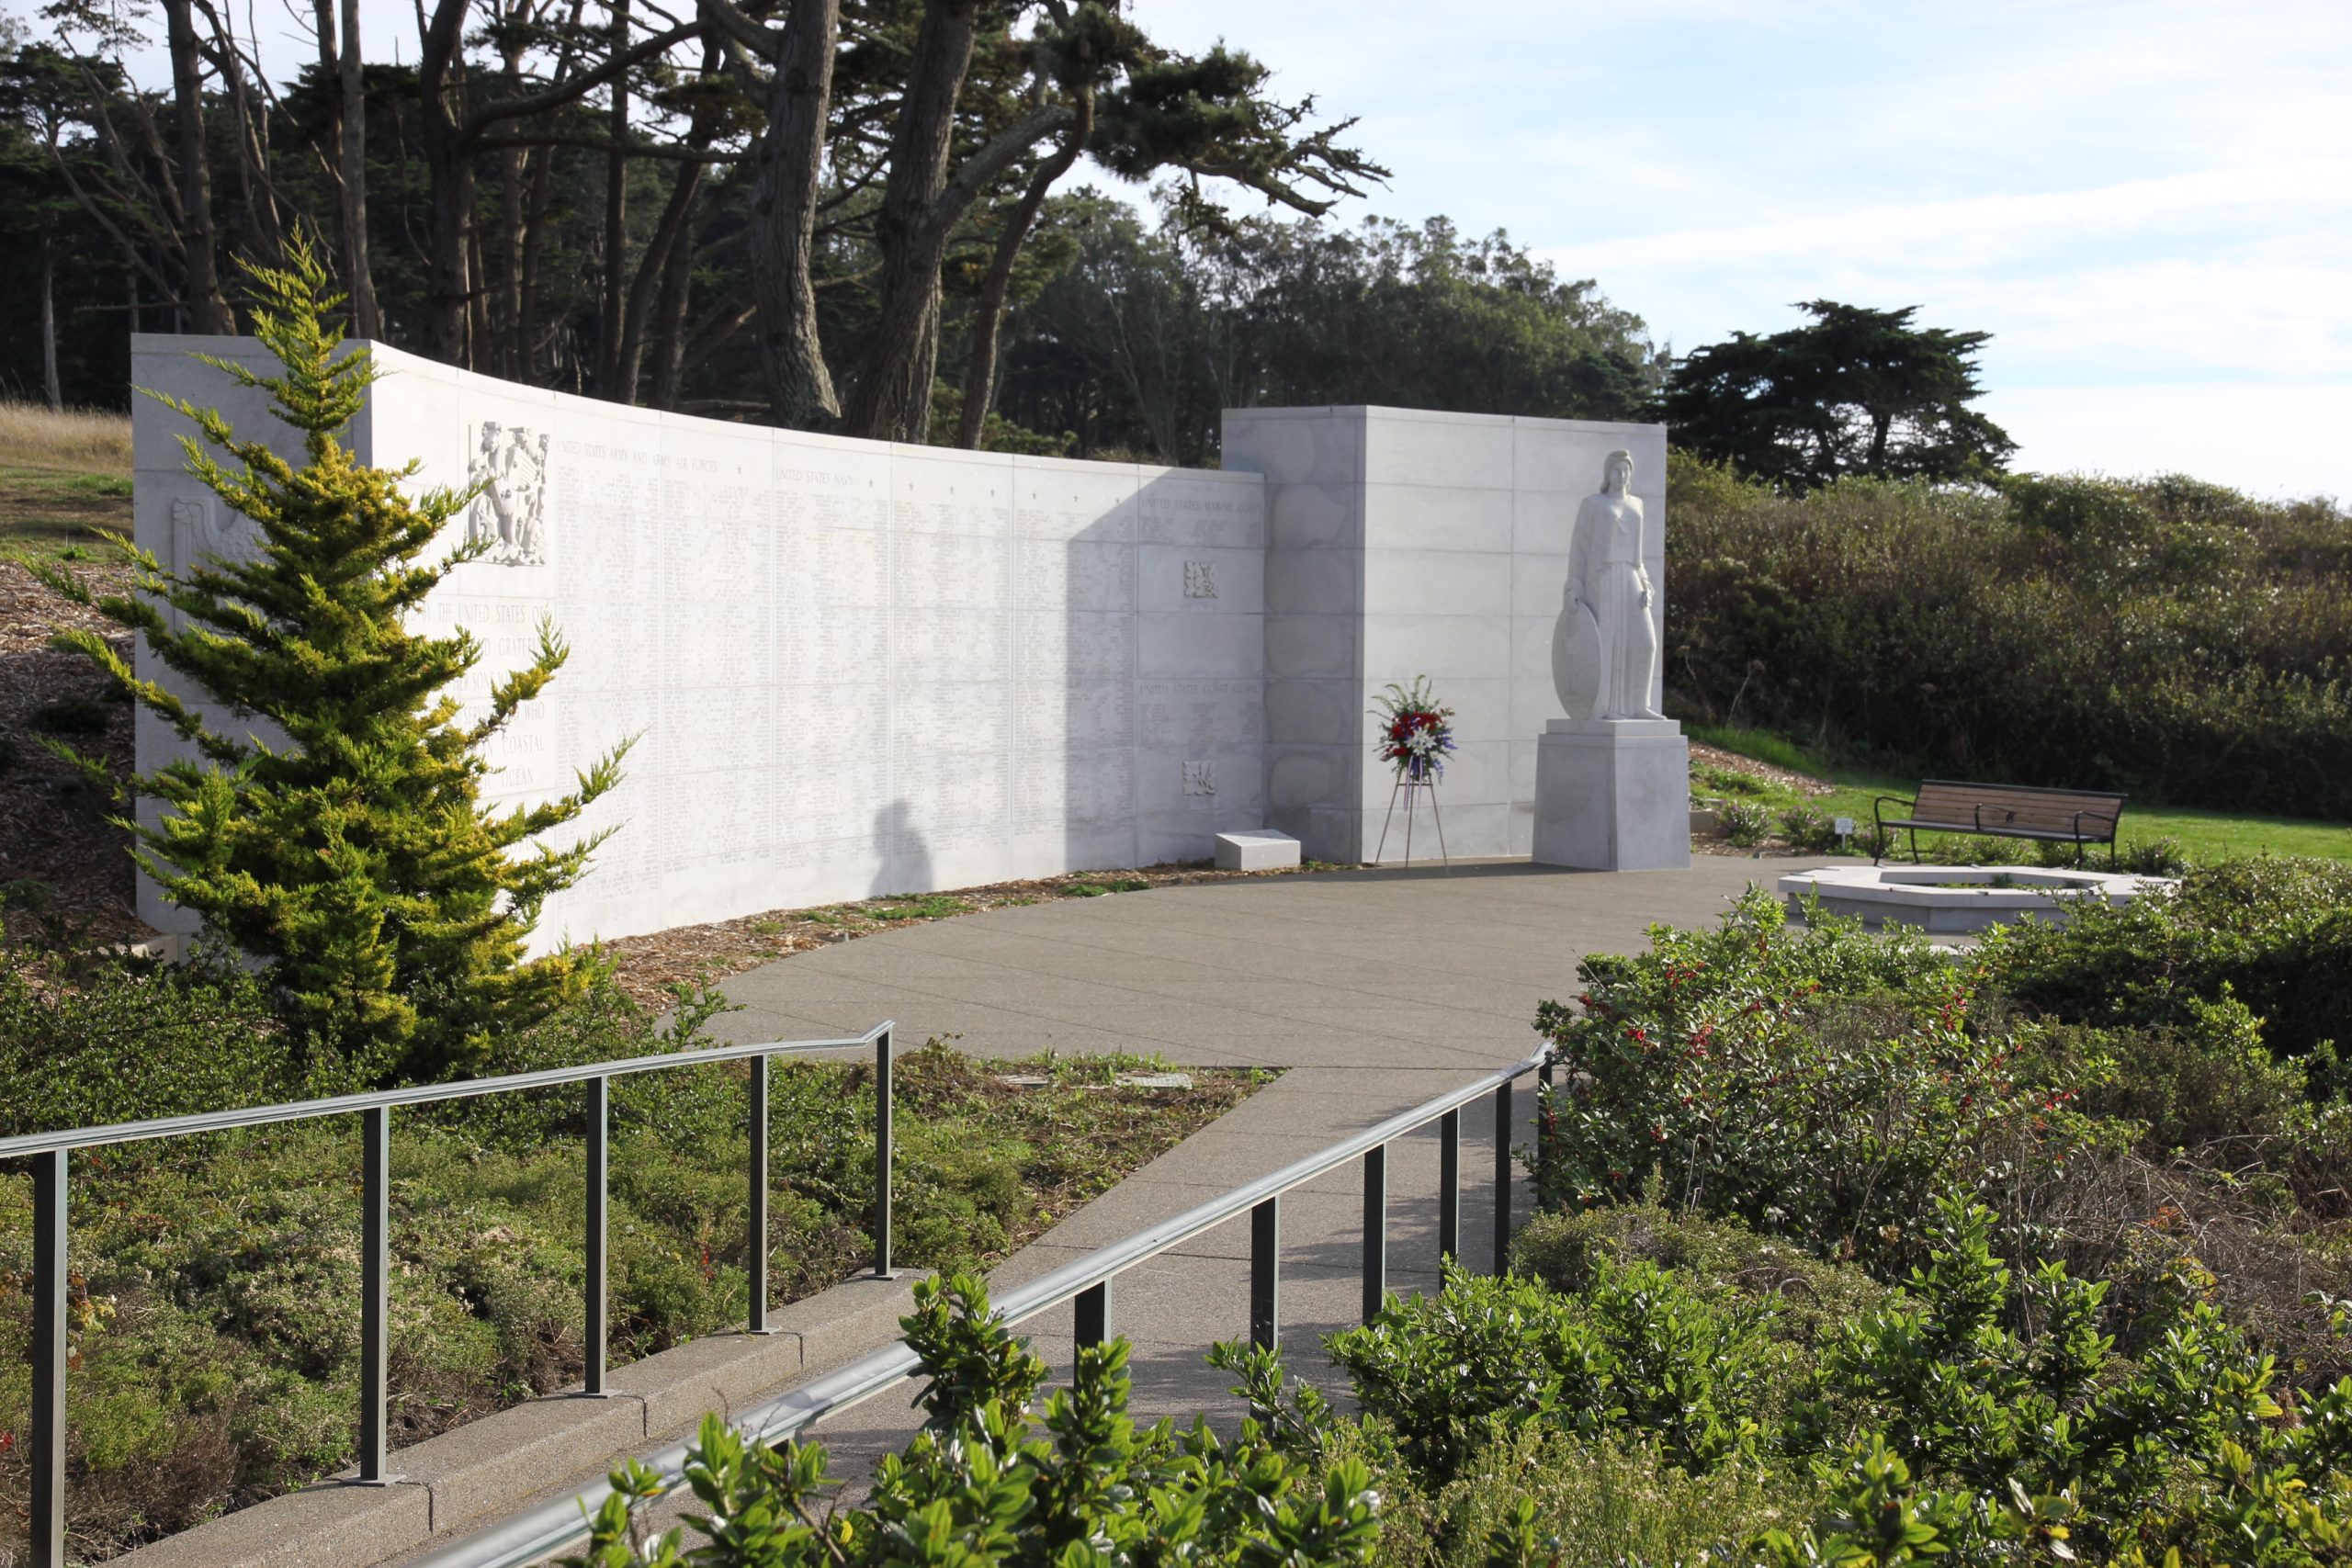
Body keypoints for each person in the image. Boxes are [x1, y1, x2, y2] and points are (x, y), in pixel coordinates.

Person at [1555, 449, 1664, 721]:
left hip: (1629, 577)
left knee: (1645, 642)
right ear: (1607, 473)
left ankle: (1639, 704)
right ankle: (1607, 707)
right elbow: (1579, 549)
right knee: (1608, 644)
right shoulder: (1592, 504)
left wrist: (1646, 584)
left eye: (1626, 469)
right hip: (1601, 579)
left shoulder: (1637, 505)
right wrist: (1573, 588)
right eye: (1616, 469)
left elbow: (1638, 558)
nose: (1622, 475)